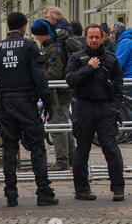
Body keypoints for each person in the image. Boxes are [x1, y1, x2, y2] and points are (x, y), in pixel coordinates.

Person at [0, 12, 58, 207]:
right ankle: (43, 191)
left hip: (5, 103)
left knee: (9, 147)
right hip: (26, 102)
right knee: (37, 147)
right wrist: (48, 104)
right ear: (23, 27)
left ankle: (11, 193)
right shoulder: (30, 47)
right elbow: (40, 79)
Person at [66, 23, 125, 202]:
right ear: (85, 38)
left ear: (102, 38)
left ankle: (118, 189)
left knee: (111, 148)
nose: (93, 40)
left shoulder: (111, 59)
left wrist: (114, 107)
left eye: (96, 37)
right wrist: (89, 68)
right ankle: (82, 190)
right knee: (82, 150)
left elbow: (118, 85)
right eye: (90, 37)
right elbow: (70, 80)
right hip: (84, 108)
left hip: (105, 108)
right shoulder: (77, 58)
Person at [31, 19, 75, 171]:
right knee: (63, 123)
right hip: (63, 92)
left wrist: (41, 80)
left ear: (42, 35)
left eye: (36, 35)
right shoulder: (55, 46)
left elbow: (54, 73)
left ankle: (62, 161)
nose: (36, 38)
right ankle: (71, 157)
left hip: (57, 93)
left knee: (57, 126)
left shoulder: (53, 49)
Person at [110, 22, 132, 92]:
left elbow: (118, 64)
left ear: (117, 32)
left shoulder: (124, 42)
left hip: (127, 80)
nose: (111, 36)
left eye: (112, 33)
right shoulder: (127, 40)